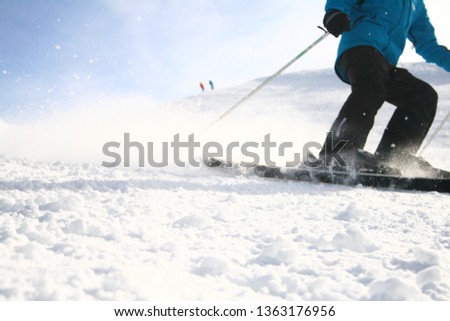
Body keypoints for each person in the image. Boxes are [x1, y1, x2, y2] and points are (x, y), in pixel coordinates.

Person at [320, 0, 450, 177]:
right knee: (371, 86)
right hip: (360, 48)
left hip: (385, 63)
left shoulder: (415, 5)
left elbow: (428, 45)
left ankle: (392, 158)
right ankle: (337, 154)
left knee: (423, 96)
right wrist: (333, 13)